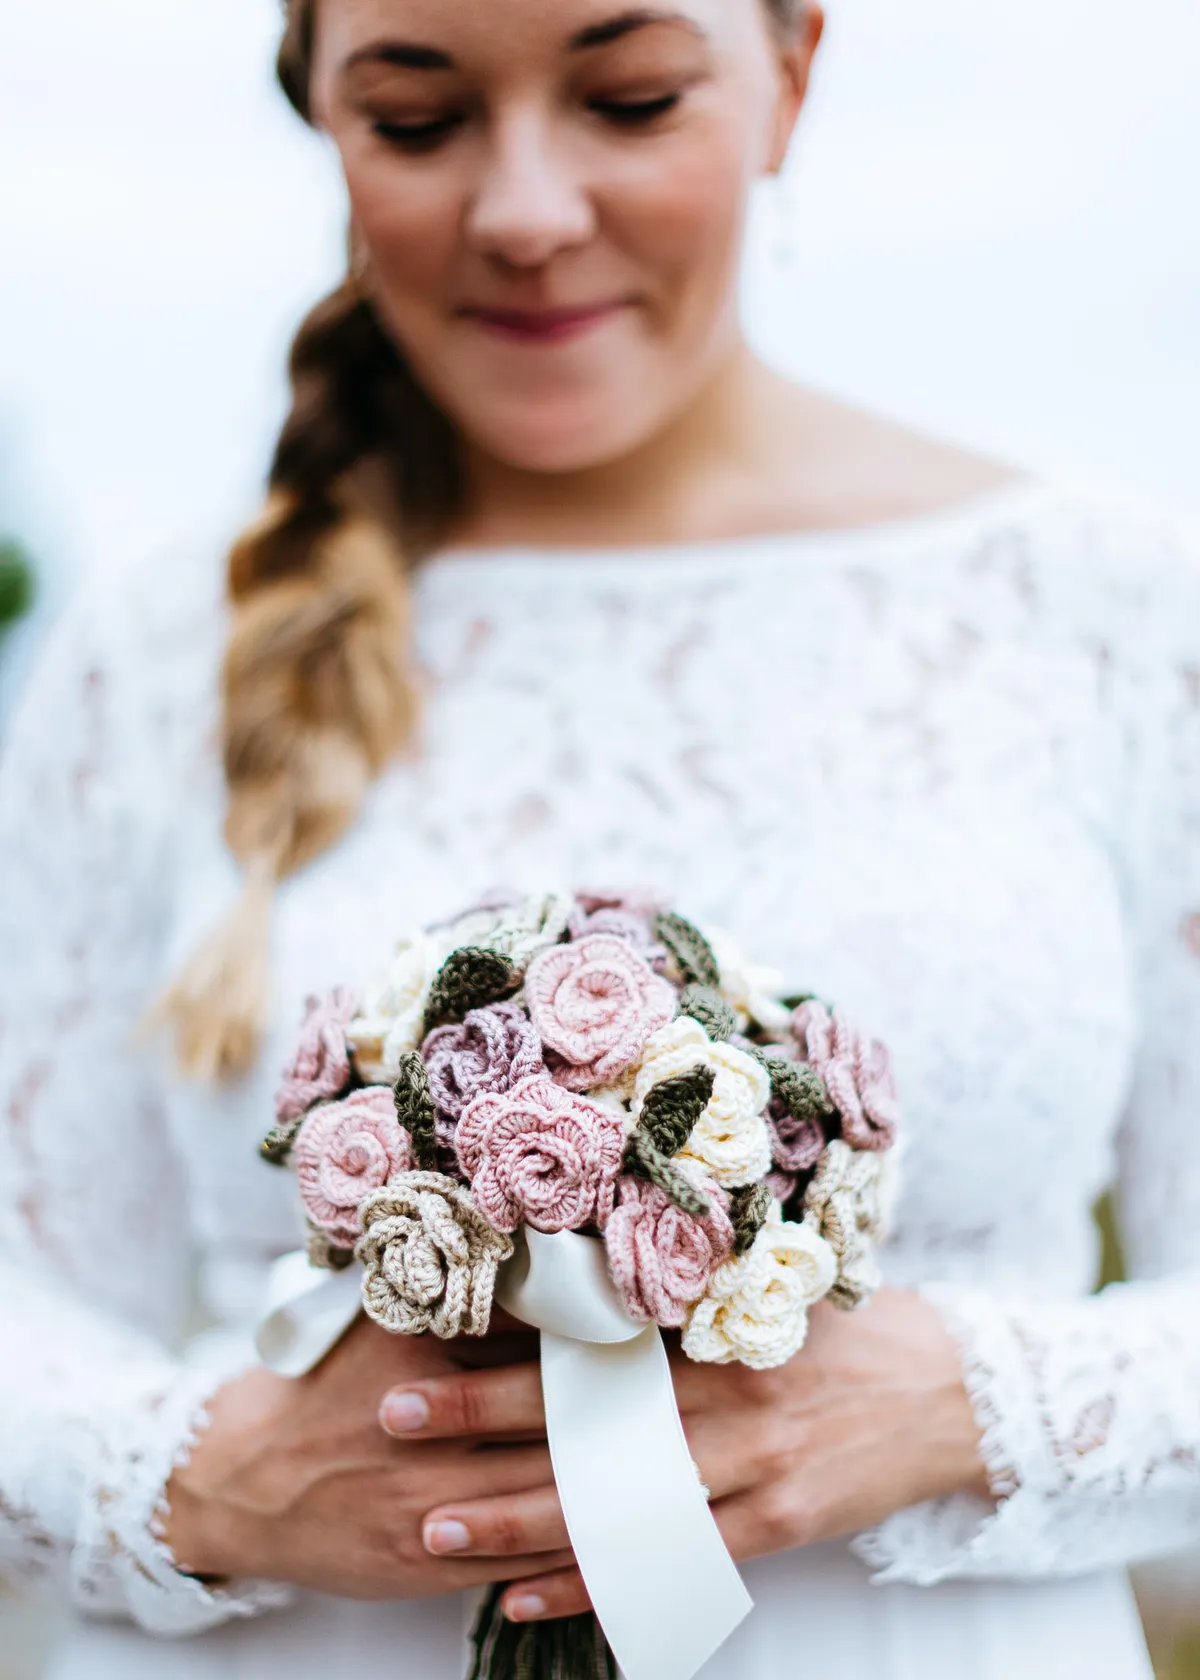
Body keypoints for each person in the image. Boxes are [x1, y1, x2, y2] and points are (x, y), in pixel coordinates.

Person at [1, 0, 1198, 1675]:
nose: (527, 210)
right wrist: (201, 1480)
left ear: (790, 76)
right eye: (418, 120)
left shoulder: (1110, 612)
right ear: (322, 117)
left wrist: (970, 1410)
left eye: (629, 100)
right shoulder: (149, 656)